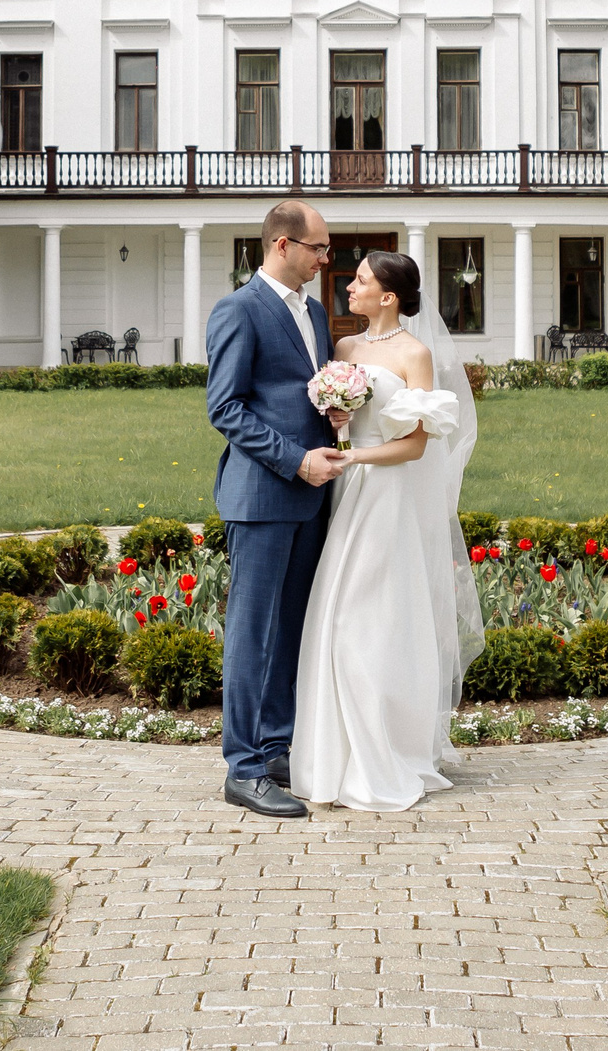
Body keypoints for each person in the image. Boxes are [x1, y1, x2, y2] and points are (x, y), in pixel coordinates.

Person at [290, 250, 484, 812]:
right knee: (338, 611)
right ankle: (334, 752)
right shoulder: (345, 349)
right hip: (349, 492)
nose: (350, 286)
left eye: (362, 281)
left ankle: (387, 750)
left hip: (390, 495)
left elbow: (419, 443)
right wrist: (340, 426)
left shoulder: (415, 354)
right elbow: (348, 422)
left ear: (390, 296)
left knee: (373, 614)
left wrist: (357, 458)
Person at [205, 199, 347, 819]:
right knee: (251, 632)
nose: (326, 260)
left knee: (291, 629)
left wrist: (336, 415)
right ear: (283, 246)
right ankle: (242, 768)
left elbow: (300, 393)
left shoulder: (315, 312)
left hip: (312, 500)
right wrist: (295, 460)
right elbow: (226, 408)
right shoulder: (238, 310)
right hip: (262, 496)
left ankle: (275, 749)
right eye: (318, 249)